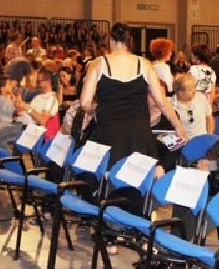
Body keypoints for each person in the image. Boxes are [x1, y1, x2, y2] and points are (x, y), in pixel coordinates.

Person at [80, 22, 186, 172]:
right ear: (130, 40)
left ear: (111, 39)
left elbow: (85, 102)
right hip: (139, 133)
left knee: (108, 178)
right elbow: (161, 101)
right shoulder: (144, 64)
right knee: (138, 177)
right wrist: (178, 125)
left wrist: (96, 109)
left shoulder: (99, 63)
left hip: (109, 131)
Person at [170, 74, 213, 140]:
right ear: (180, 93)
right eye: (190, 90)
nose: (194, 91)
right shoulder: (170, 105)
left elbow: (209, 118)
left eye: (194, 87)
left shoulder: (201, 97)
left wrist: (209, 137)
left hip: (204, 139)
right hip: (185, 142)